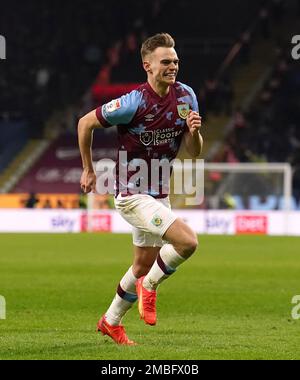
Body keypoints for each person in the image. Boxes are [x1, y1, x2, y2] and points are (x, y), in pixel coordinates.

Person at [78, 33, 203, 346]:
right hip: (132, 196)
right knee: (187, 243)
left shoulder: (186, 97)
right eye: (165, 62)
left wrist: (195, 134)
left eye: (175, 61)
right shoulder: (133, 102)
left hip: (159, 194)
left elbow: (193, 151)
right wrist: (88, 169)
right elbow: (84, 124)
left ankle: (110, 321)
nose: (172, 66)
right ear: (147, 65)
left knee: (142, 264)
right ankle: (151, 286)